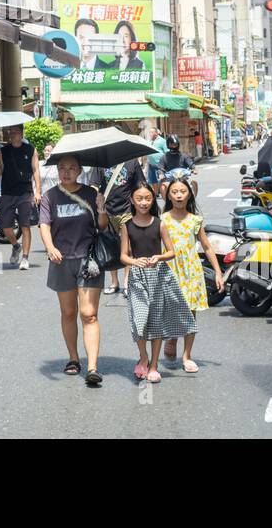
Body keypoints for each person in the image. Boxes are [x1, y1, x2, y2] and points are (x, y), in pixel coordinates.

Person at [38, 152, 107, 386]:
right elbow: (44, 225)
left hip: (89, 261)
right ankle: (73, 358)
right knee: (68, 313)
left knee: (88, 314)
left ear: (80, 171)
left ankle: (92, 367)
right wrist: (49, 247)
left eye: (71, 168)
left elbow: (102, 226)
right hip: (61, 261)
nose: (66, 172)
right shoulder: (50, 197)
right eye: (62, 168)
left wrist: (101, 209)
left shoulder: (90, 194)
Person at [120, 181, 193, 384]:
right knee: (139, 319)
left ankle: (153, 365)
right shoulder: (127, 225)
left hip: (158, 276)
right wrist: (134, 261)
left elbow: (171, 251)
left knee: (157, 321)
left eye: (147, 198)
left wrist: (158, 258)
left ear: (153, 200)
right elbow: (123, 256)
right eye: (139, 199)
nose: (144, 202)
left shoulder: (159, 223)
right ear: (132, 201)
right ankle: (143, 356)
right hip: (137, 277)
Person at [159, 177, 223, 372]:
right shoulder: (162, 220)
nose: (179, 195)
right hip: (169, 269)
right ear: (168, 196)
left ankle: (187, 355)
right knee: (170, 308)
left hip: (191, 270)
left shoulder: (195, 220)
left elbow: (207, 247)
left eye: (183, 192)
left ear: (189, 195)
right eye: (174, 192)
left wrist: (218, 273)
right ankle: (171, 337)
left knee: (190, 312)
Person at [0, 124, 41, 270]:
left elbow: (36, 170)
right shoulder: (3, 151)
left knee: (25, 225)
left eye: (15, 132)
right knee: (5, 226)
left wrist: (38, 191)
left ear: (21, 134)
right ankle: (16, 246)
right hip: (7, 192)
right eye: (10, 132)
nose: (12, 135)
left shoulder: (31, 149)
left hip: (25, 192)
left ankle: (25, 258)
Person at [101, 157, 148, 295]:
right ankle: (114, 281)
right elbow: (94, 184)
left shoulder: (131, 162)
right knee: (109, 248)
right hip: (106, 211)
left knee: (127, 248)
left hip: (127, 209)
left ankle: (127, 281)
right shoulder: (101, 162)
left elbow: (141, 183)